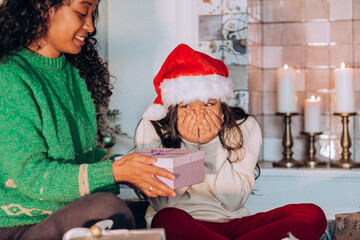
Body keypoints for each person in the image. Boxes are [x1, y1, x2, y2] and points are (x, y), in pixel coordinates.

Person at [0, 0, 176, 239]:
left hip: (67, 214)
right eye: (82, 12)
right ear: (42, 8)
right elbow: (31, 177)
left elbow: (82, 157)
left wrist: (132, 167)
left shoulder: (72, 72)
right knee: (106, 208)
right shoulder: (9, 75)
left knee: (162, 215)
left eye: (93, 14)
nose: (91, 26)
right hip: (20, 227)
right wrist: (115, 172)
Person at [135, 44, 328, 240]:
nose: (199, 114)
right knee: (166, 219)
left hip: (235, 224)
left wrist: (210, 145)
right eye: (186, 106)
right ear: (173, 108)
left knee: (312, 215)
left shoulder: (244, 126)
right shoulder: (153, 127)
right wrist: (189, 145)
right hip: (183, 223)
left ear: (222, 102)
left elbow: (233, 201)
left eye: (209, 103)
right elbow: (162, 203)